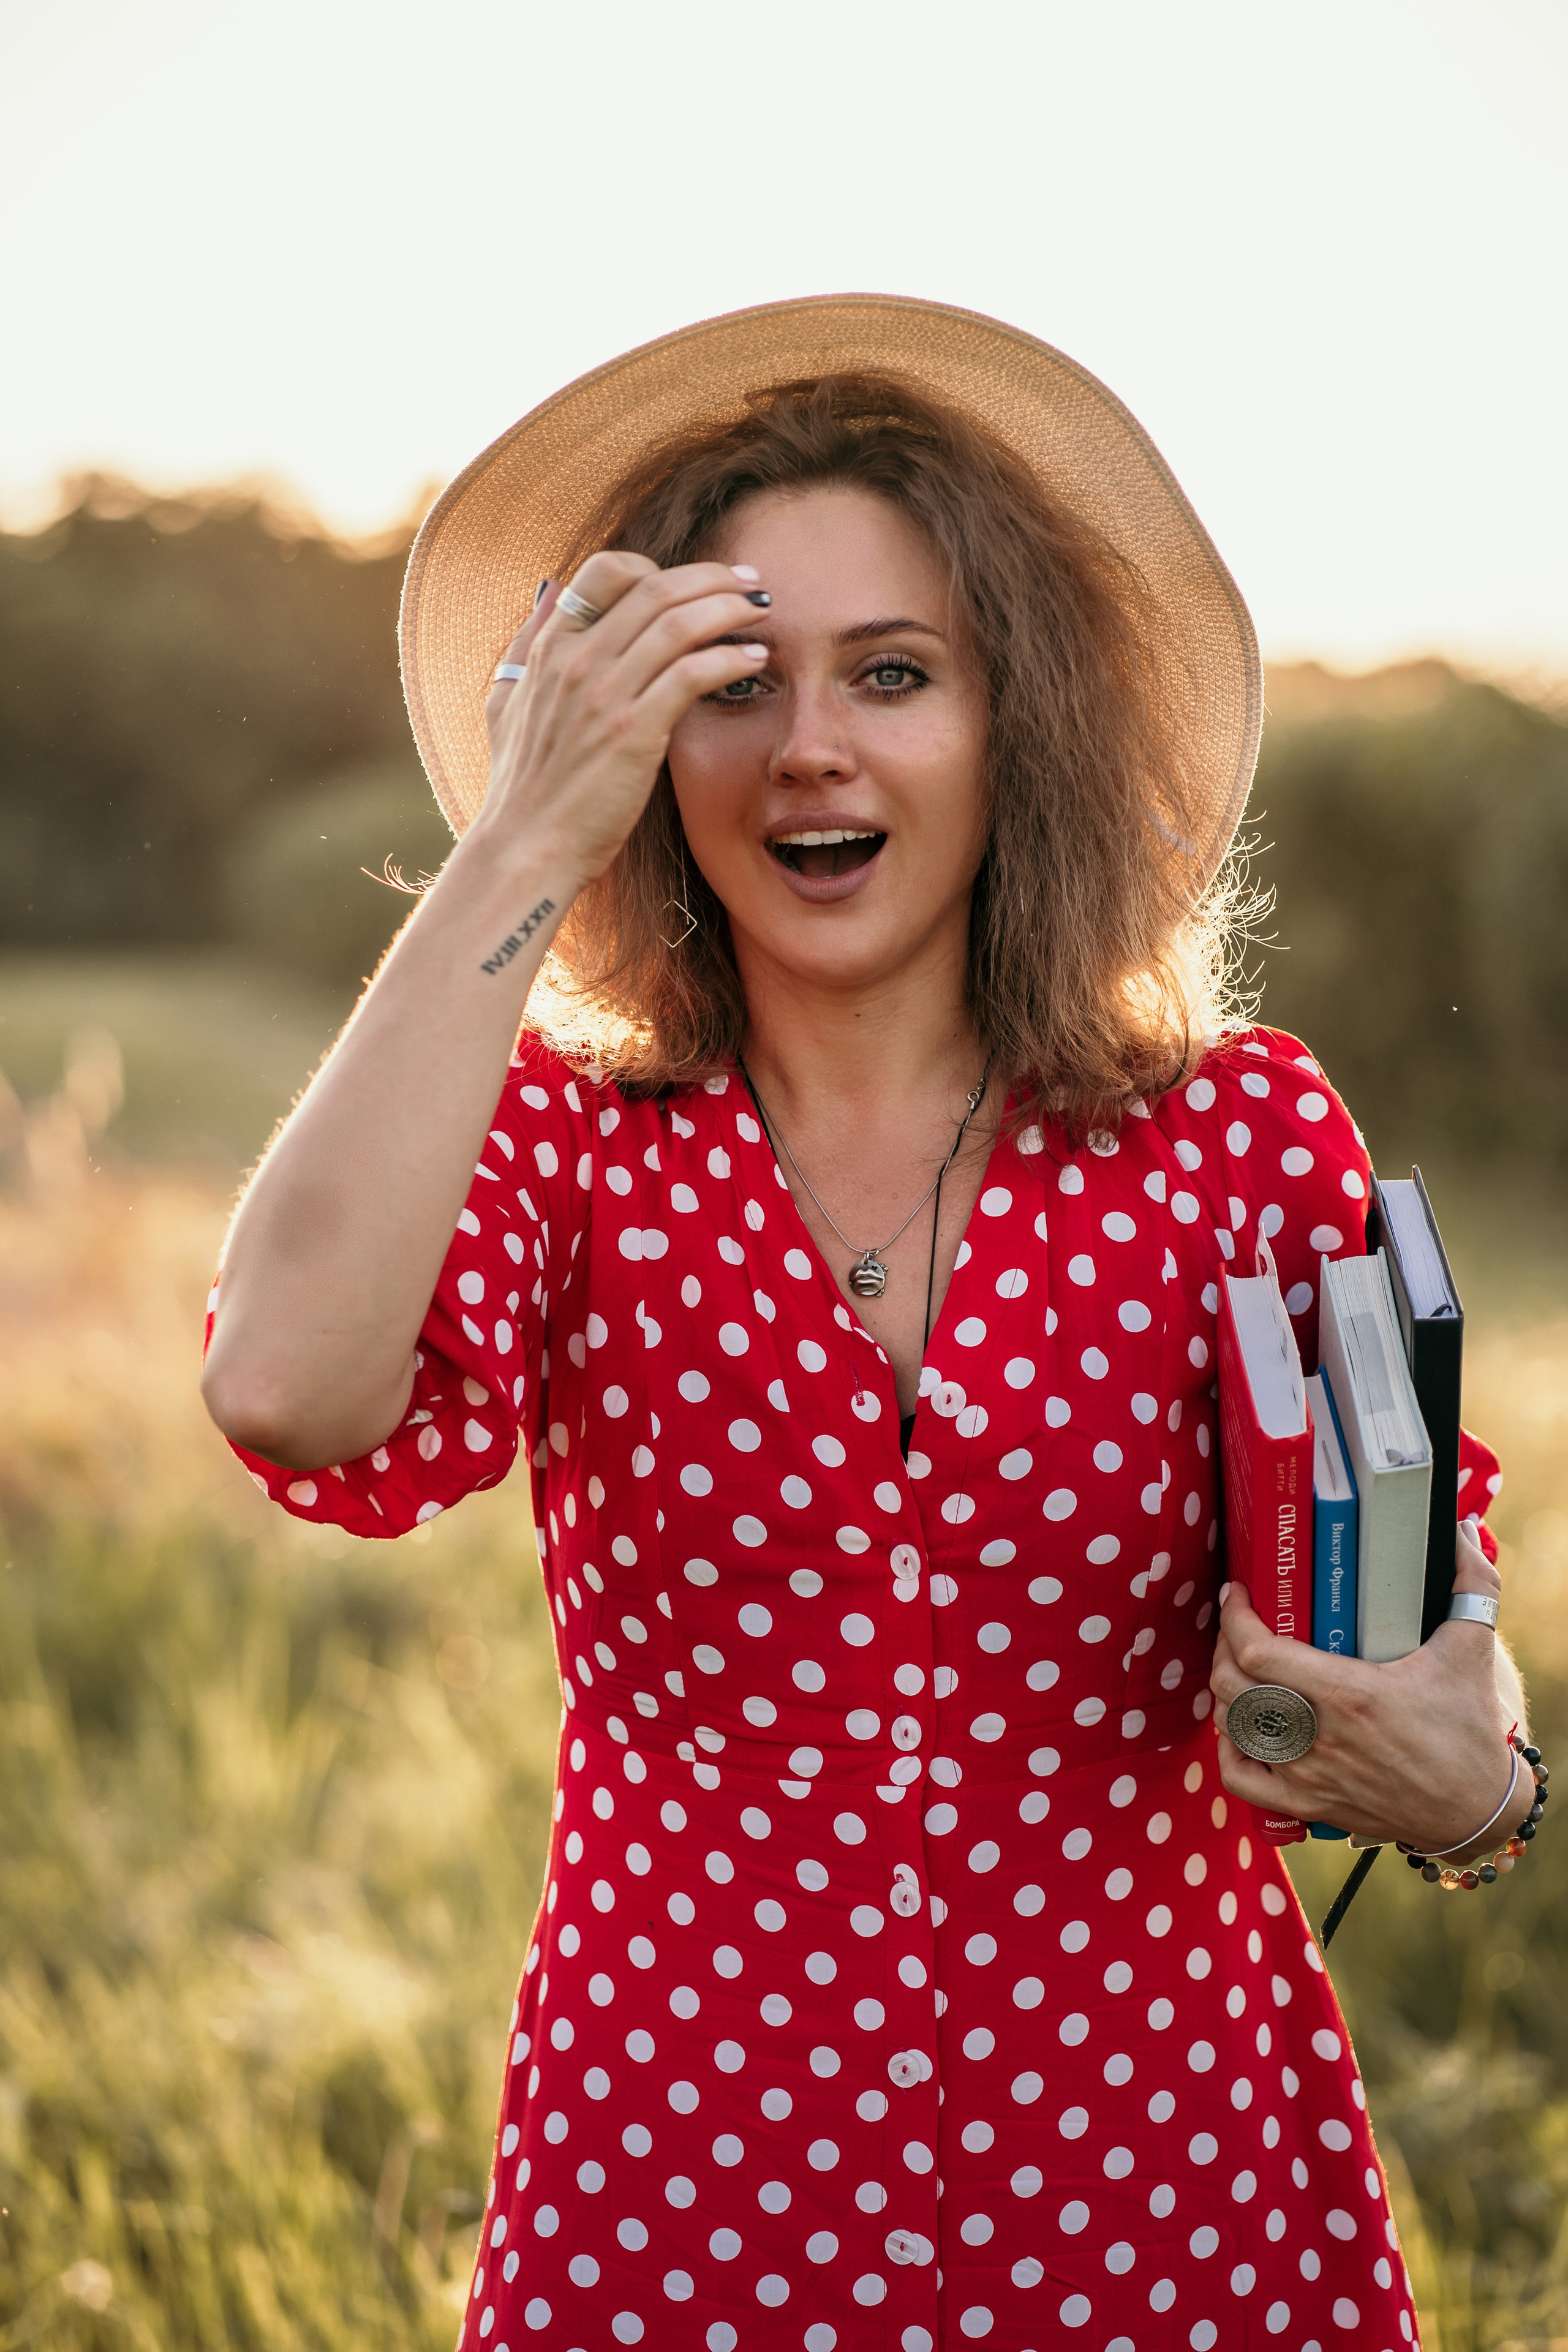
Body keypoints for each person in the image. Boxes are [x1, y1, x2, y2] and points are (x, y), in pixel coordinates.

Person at [203, 297, 1522, 2351]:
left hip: (1171, 2198)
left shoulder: (1238, 1137)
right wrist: (524, 836)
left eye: (894, 675)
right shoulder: (572, 1139)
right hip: (679, 2197)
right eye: (732, 683)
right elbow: (288, 1392)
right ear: (641, 743)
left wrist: (1479, 1796)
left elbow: (1438, 1618)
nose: (811, 747)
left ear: (1020, 725)